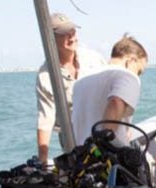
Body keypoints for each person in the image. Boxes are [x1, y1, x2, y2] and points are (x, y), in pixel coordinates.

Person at [35, 12, 106, 165]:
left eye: (73, 31)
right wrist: (42, 160)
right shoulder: (45, 76)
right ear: (51, 39)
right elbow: (45, 121)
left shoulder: (94, 59)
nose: (72, 36)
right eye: (65, 33)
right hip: (72, 137)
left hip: (102, 128)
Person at [70, 35, 147, 146]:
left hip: (83, 155)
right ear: (130, 61)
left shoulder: (81, 80)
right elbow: (116, 102)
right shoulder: (127, 76)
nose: (138, 75)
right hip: (108, 158)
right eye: (139, 71)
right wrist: (102, 145)